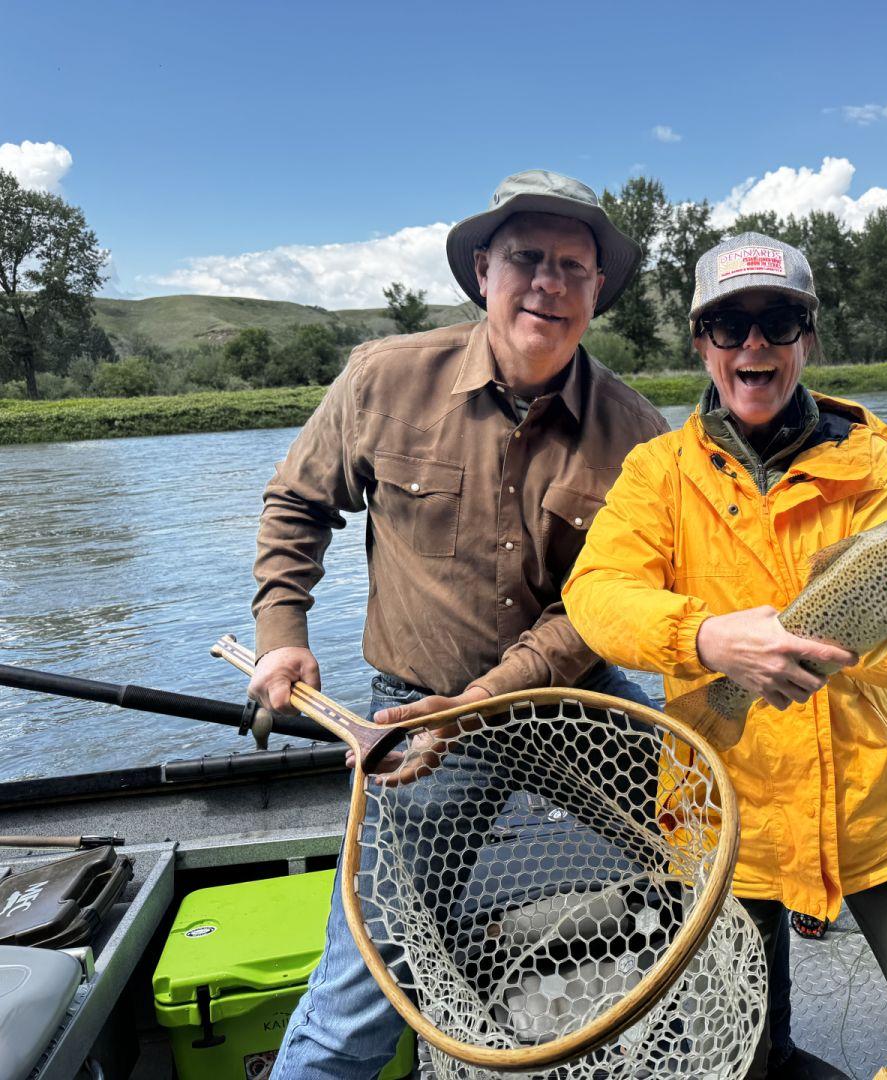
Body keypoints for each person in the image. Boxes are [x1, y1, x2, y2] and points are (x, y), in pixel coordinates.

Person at [248, 170, 670, 1079]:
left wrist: (492, 694)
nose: (548, 283)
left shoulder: (640, 436)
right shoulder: (384, 378)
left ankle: (729, 1043)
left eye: (573, 267)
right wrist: (283, 629)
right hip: (418, 719)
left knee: (720, 843)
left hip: (572, 701)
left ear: (597, 291)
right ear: (484, 270)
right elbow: (296, 503)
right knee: (368, 980)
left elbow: (603, 606)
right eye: (527, 259)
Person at [563, 232, 887, 1080]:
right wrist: (706, 639)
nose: (754, 345)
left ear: (808, 337)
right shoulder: (655, 474)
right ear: (701, 342)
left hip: (873, 807)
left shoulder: (872, 465)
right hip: (722, 813)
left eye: (779, 321)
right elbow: (595, 597)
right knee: (745, 1054)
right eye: (730, 326)